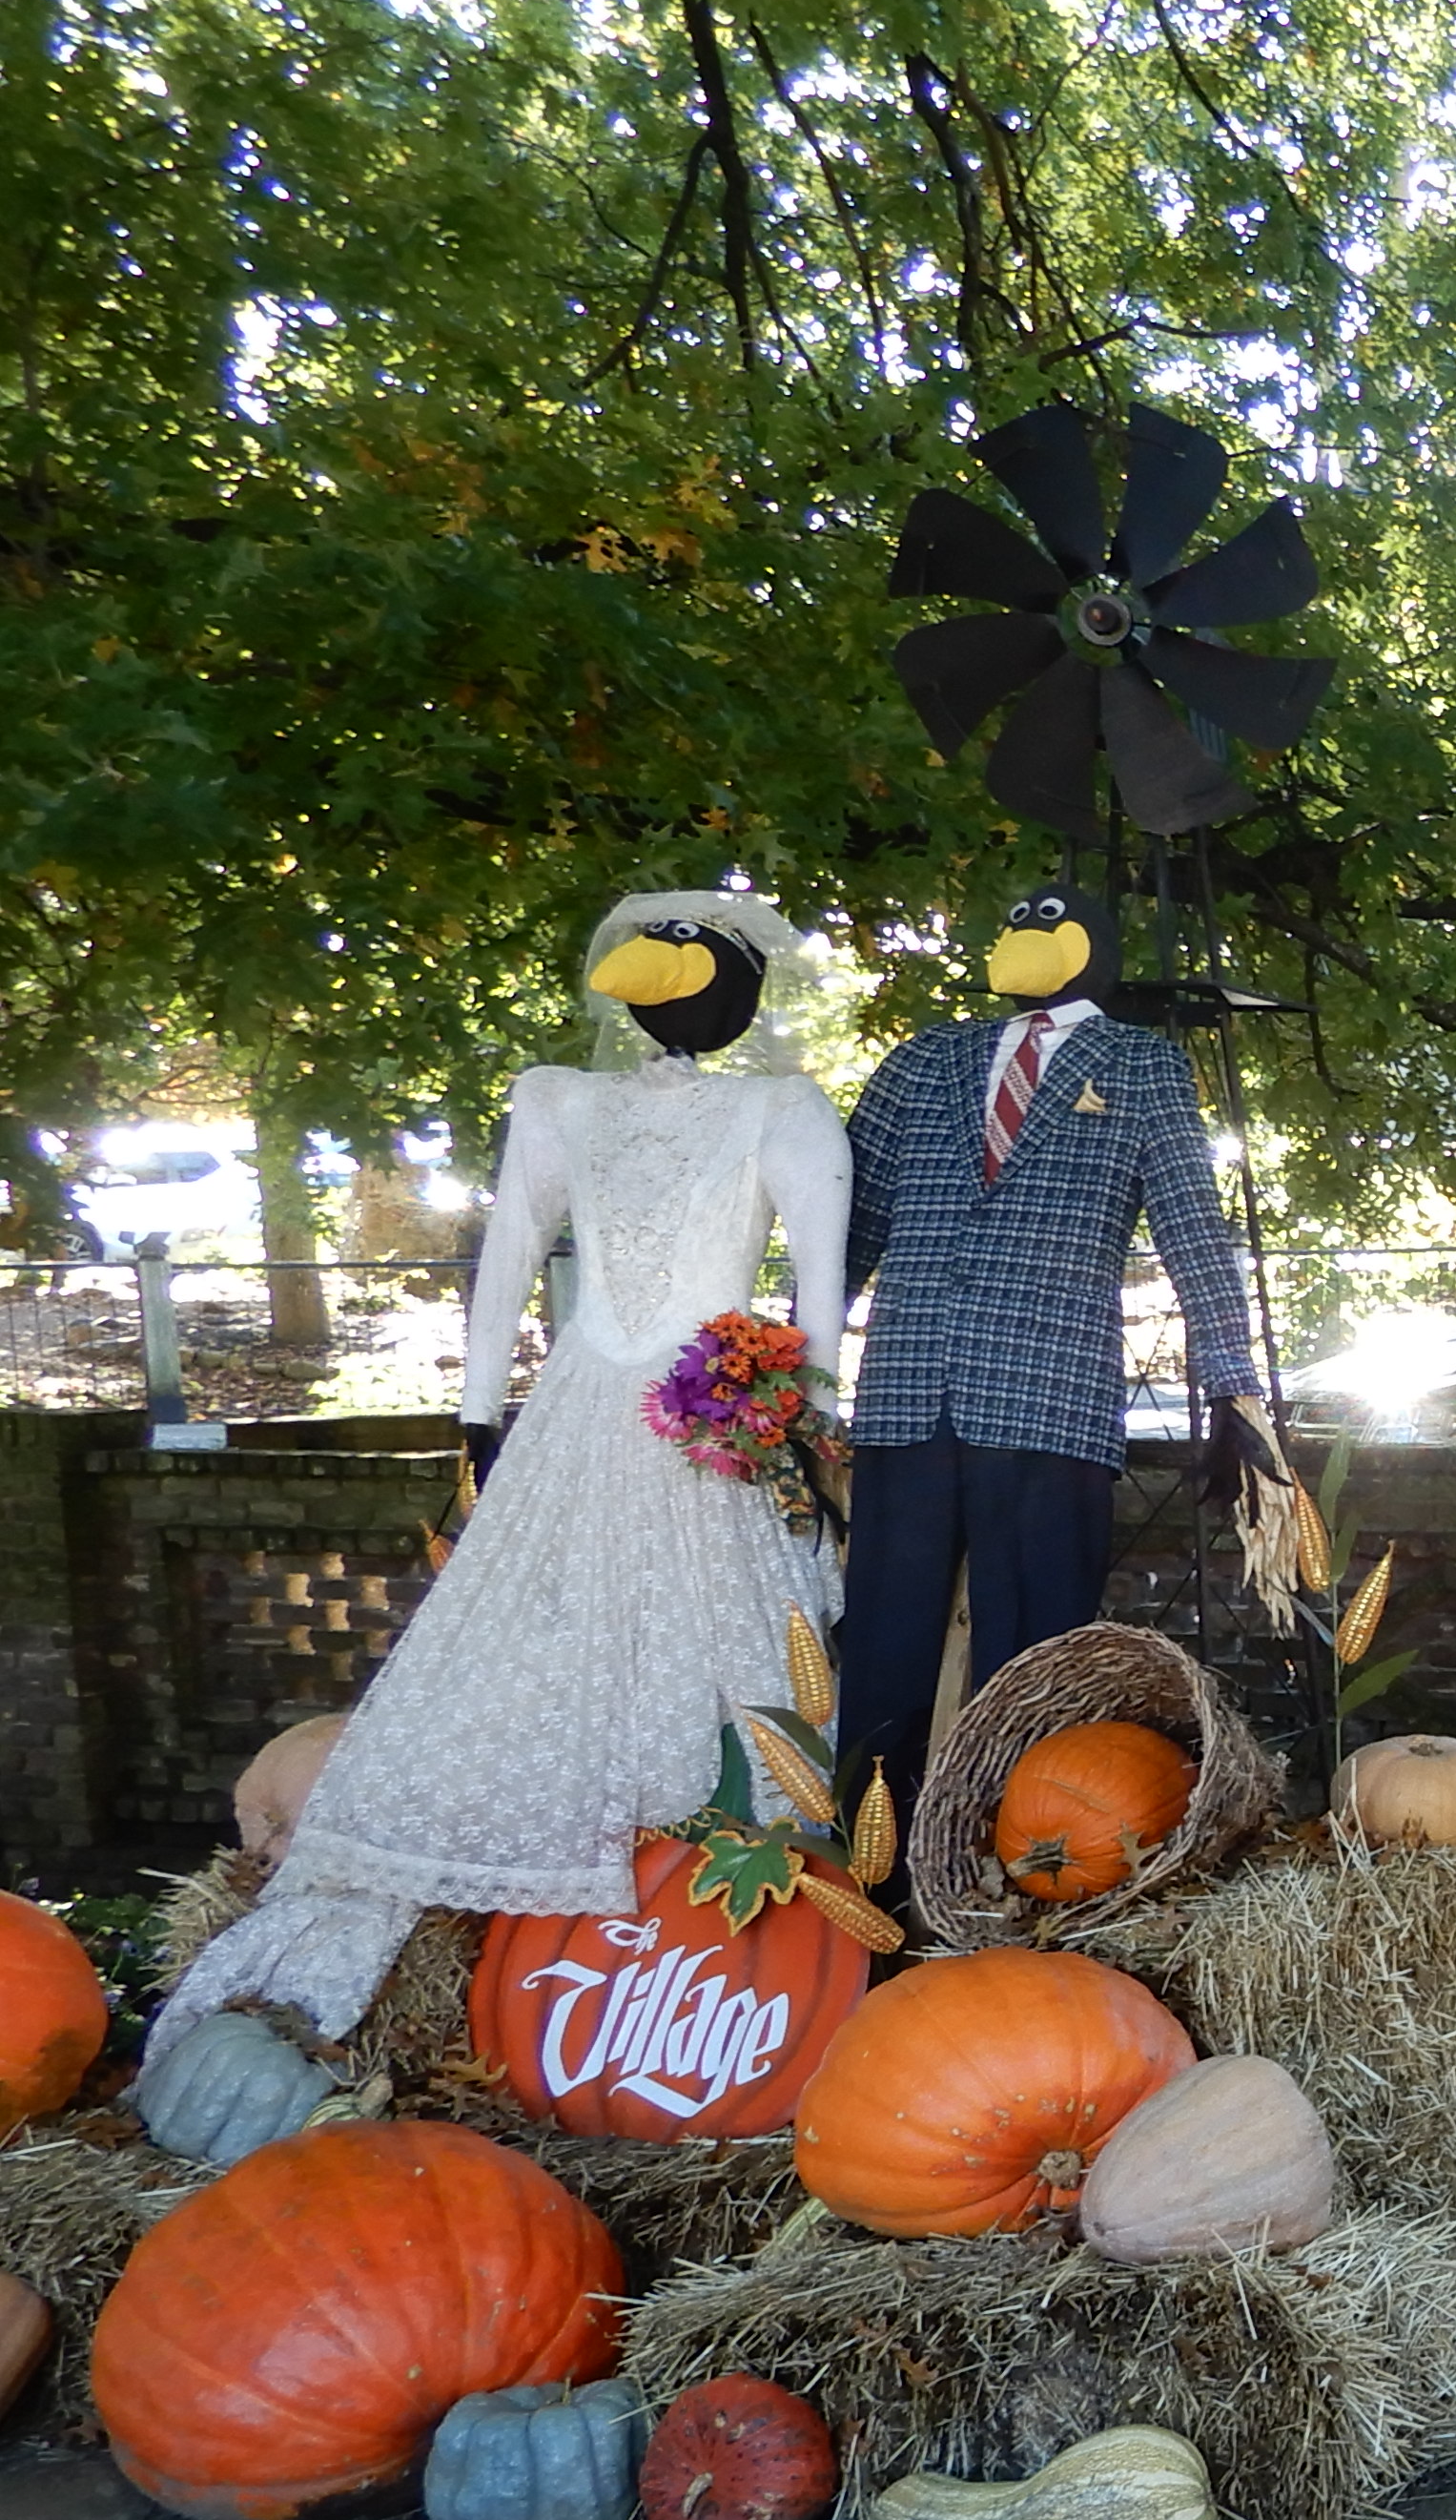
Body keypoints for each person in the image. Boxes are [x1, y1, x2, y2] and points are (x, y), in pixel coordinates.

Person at [161, 891, 849, 2043]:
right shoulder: (585, 1101)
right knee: (582, 1631)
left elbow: (803, 1294)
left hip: (680, 1404)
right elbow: (523, 1254)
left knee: (670, 1630)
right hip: (645, 1403)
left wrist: (791, 1420)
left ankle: (679, 1909)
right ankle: (587, 1910)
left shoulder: (755, 1108)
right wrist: (801, 1423)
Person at [835, 872, 1268, 1831]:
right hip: (908, 1388)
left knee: (1034, 1659)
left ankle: (1012, 1857)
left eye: (1052, 921)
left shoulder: (1142, 1065)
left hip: (1051, 1397)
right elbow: (848, 1225)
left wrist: (1231, 1388)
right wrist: (792, 1366)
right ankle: (865, 1864)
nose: (1027, 931)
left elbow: (1193, 1229)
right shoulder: (924, 1059)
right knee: (879, 1650)